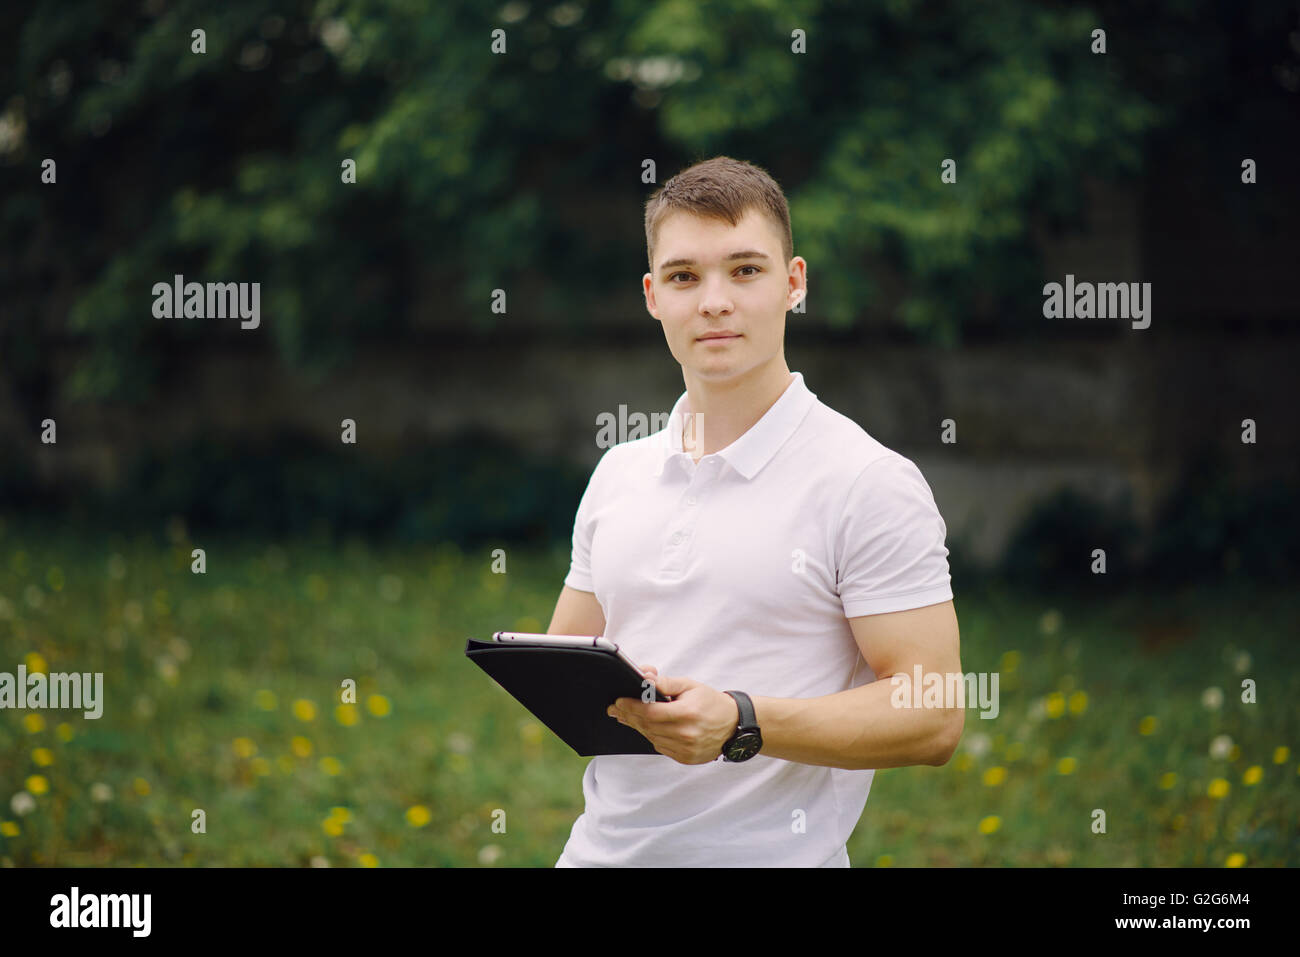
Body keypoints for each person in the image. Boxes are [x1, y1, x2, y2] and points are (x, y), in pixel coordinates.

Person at [548, 156, 962, 867]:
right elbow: (565, 666)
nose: (713, 301)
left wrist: (741, 719)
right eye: (684, 276)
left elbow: (933, 714)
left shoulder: (868, 481)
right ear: (653, 296)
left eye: (745, 270)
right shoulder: (619, 471)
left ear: (794, 283)